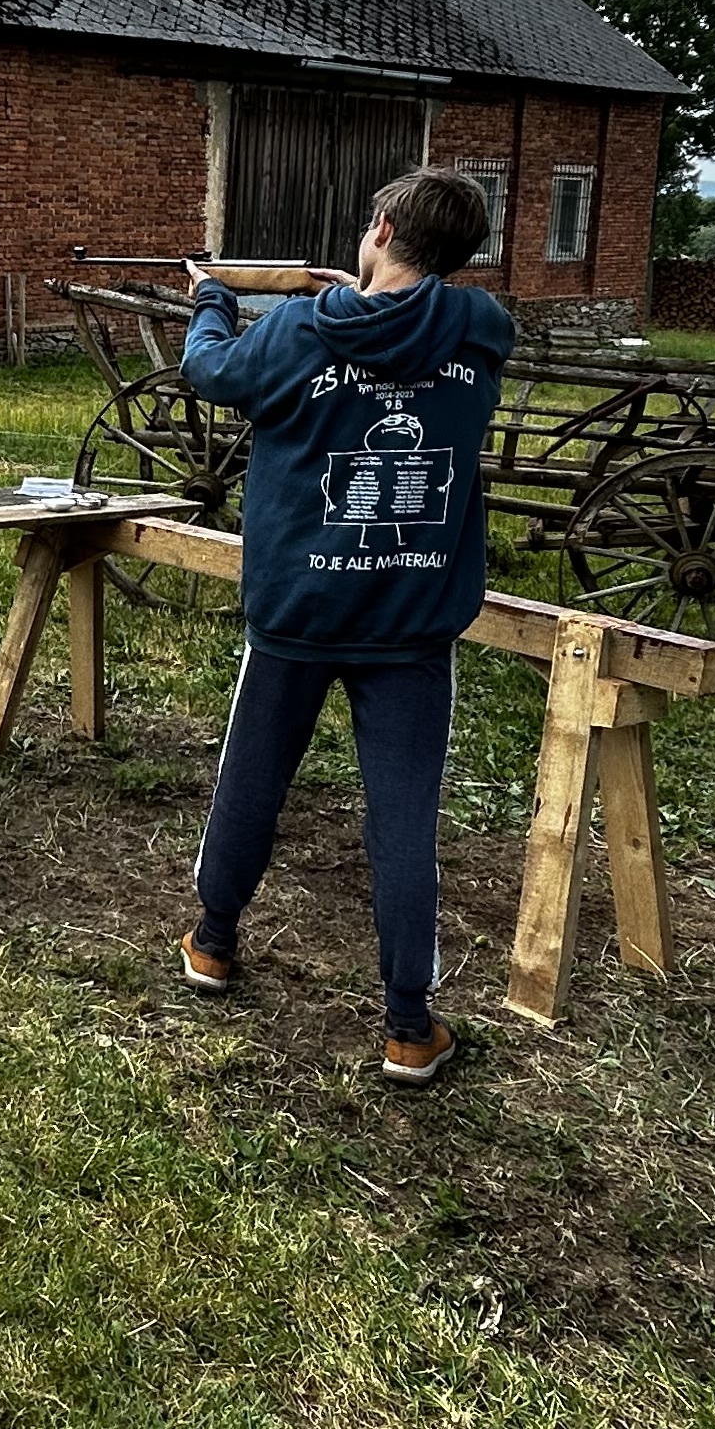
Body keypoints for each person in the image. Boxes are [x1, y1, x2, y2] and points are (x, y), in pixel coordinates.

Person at [176, 166, 517, 1083]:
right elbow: (420, 324)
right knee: (404, 821)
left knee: (252, 779)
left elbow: (209, 371)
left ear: (378, 228)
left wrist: (212, 300)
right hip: (412, 618)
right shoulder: (482, 330)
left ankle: (212, 942)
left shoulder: (294, 329)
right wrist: (359, 300)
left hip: (298, 606)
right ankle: (409, 1025)